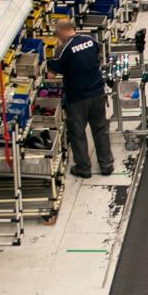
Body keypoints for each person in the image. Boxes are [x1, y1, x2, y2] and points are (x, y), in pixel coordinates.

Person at [46, 20, 115, 177]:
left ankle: (83, 168)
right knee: (100, 129)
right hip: (97, 93)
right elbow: (95, 56)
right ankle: (106, 165)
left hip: (77, 99)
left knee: (78, 134)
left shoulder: (62, 49)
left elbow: (50, 75)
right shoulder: (90, 40)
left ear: (60, 31)